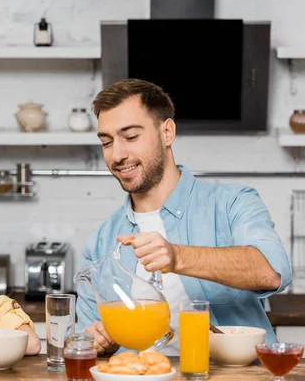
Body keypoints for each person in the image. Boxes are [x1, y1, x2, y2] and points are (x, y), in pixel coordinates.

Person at [76, 78, 291, 356]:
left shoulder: (231, 203)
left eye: (130, 137)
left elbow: (272, 273)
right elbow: (83, 345)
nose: (117, 155)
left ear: (167, 132)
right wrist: (100, 343)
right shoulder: (100, 243)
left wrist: (177, 257)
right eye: (107, 142)